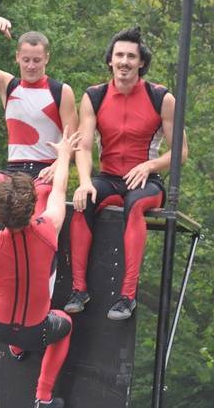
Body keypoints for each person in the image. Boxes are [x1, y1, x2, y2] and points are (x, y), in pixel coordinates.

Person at [65, 26, 188, 321]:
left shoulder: (161, 97)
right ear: (110, 60)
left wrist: (149, 166)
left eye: (131, 57)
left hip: (146, 181)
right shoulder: (94, 96)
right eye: (119, 55)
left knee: (134, 205)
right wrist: (84, 182)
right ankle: (79, 290)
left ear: (141, 62)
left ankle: (127, 296)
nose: (124, 62)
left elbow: (181, 152)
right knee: (82, 202)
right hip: (108, 177)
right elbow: (83, 146)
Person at [0, 127, 80, 408]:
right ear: (31, 209)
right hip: (37, 331)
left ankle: (16, 350)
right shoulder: (48, 229)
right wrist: (64, 155)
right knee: (65, 323)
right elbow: (59, 190)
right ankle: (43, 395)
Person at [0, 17, 78, 261]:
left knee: (38, 207)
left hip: (44, 172)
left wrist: (58, 165)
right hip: (12, 171)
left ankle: (33, 264)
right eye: (26, 60)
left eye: (37, 60)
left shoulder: (60, 91)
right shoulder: (8, 85)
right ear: (17, 58)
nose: (31, 66)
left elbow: (74, 142)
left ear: (46, 59)